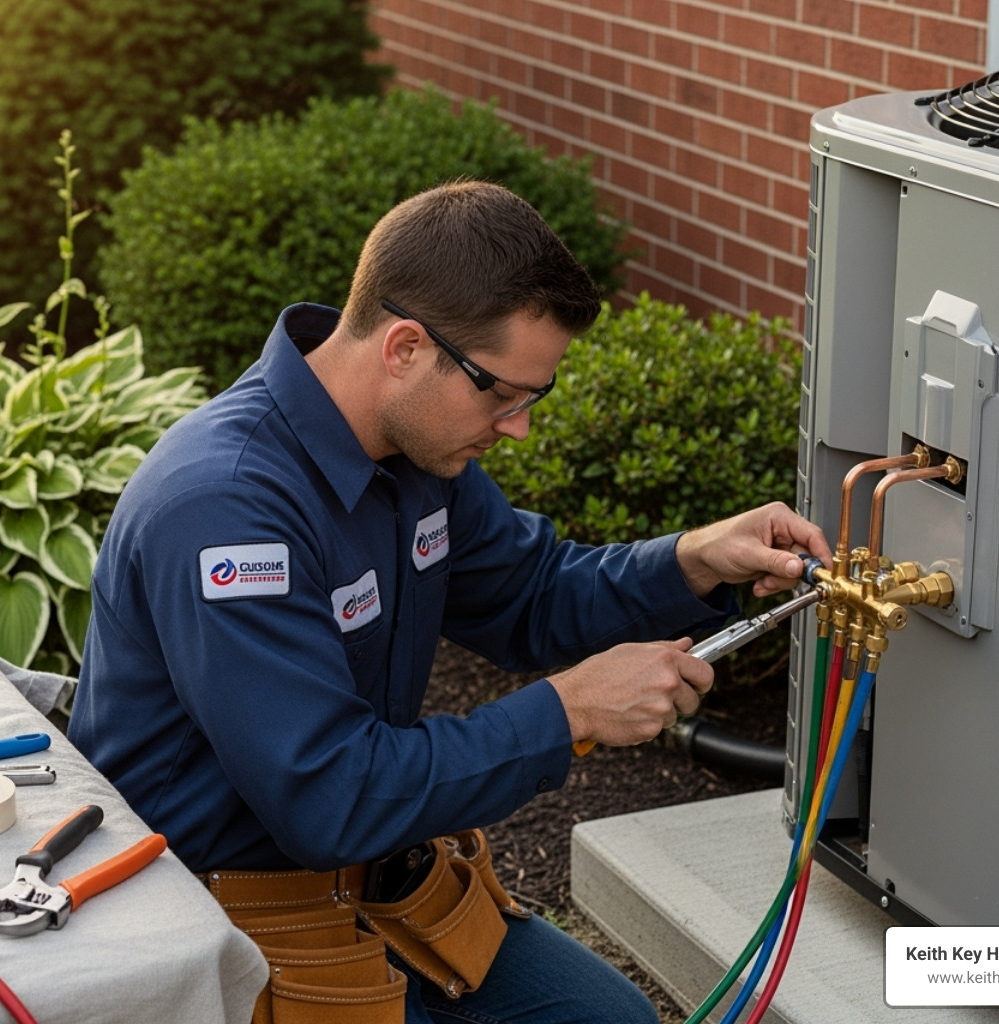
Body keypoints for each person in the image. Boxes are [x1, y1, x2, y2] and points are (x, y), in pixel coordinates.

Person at [68, 180, 831, 1024]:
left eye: (531, 398)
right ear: (404, 348)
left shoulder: (414, 455)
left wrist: (692, 562)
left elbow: (531, 596)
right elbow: (332, 796)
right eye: (502, 393)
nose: (517, 427)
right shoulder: (227, 510)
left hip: (383, 883)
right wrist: (567, 711)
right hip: (220, 912)